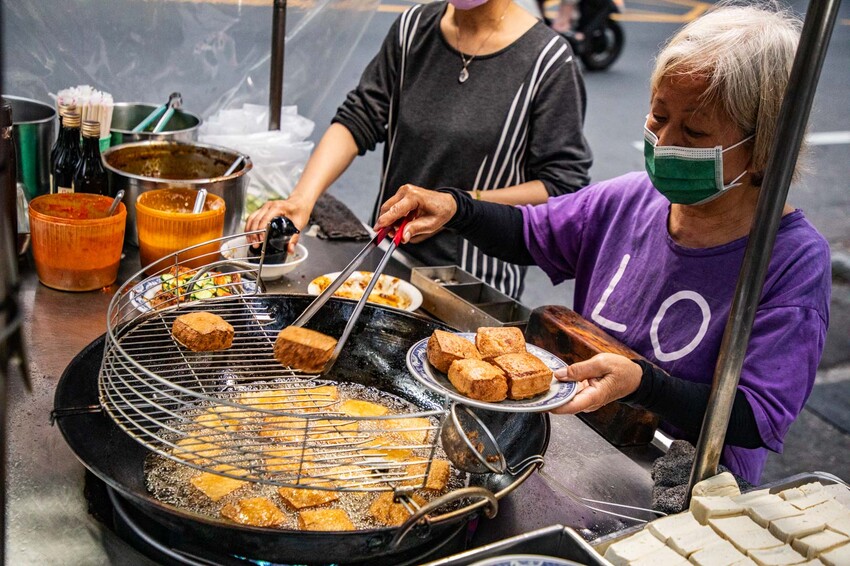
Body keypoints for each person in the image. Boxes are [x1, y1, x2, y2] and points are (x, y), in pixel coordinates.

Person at [373, 3, 830, 484]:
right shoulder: (630, 198)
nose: (664, 142)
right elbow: (528, 233)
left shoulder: (793, 261)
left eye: (694, 132)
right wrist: (457, 208)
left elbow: (757, 415)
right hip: (587, 445)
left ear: (764, 146)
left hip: (685, 480)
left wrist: (644, 384)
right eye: (658, 116)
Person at [246, 0, 592, 300]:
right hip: (388, 260)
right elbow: (359, 117)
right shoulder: (413, 28)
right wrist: (301, 200)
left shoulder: (548, 61)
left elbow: (561, 187)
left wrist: (458, 206)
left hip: (472, 283)